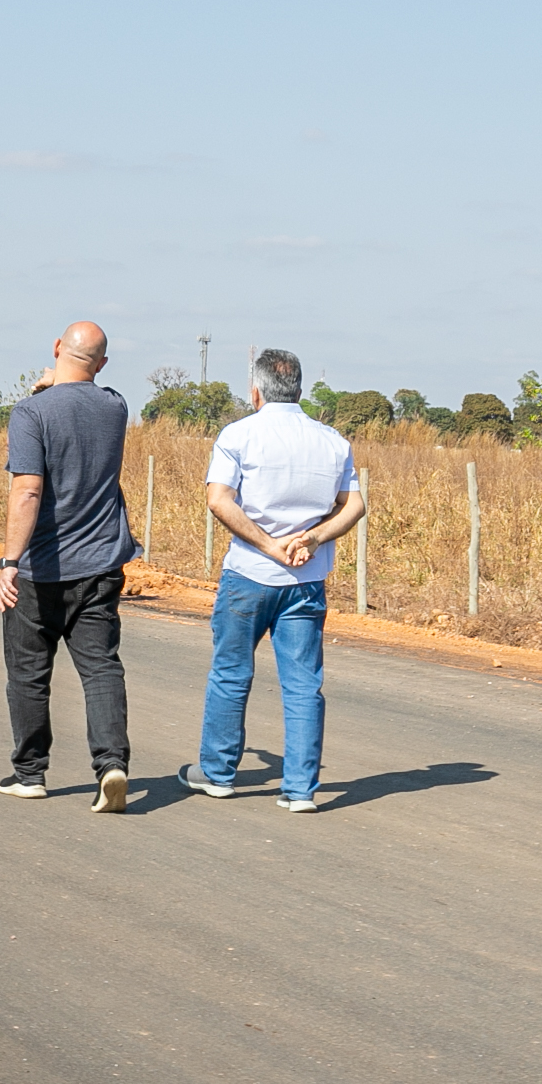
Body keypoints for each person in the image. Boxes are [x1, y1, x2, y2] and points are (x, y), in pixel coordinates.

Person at [179, 348, 366, 812]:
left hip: (250, 573)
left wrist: (268, 545)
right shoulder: (333, 442)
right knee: (303, 684)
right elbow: (355, 505)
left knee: (231, 672)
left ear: (256, 391)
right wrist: (313, 538)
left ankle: (218, 774)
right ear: (299, 389)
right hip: (306, 578)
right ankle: (301, 789)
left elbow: (219, 500)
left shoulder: (239, 435)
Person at [0, 320, 138, 813]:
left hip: (41, 568)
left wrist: (10, 562)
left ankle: (30, 773)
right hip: (100, 563)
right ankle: (111, 763)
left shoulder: (31, 413)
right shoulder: (116, 407)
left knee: (29, 672)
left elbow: (27, 490)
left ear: (57, 347)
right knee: (100, 667)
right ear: (102, 363)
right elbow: (85, 397)